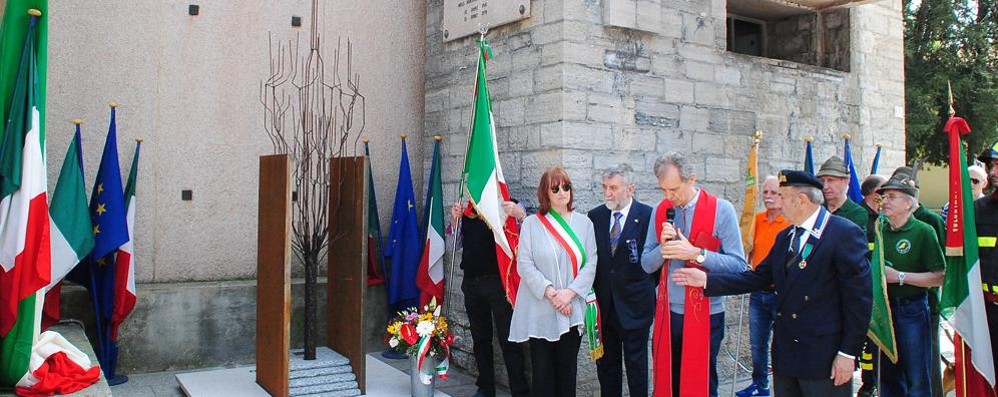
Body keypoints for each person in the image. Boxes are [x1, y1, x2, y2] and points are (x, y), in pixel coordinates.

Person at [671, 170, 872, 397]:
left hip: (823, 355)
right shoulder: (785, 237)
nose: (777, 202)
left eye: (782, 196)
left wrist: (847, 353)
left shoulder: (843, 233)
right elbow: (759, 278)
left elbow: (859, 302)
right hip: (787, 353)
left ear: (802, 200)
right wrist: (707, 279)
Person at [640, 152, 748, 397]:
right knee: (670, 381)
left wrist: (698, 254)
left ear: (692, 179)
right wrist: (663, 250)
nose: (669, 197)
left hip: (707, 314)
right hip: (668, 313)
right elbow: (647, 264)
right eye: (664, 190)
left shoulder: (722, 210)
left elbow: (739, 266)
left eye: (674, 189)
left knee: (702, 383)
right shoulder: (661, 211)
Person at [509, 167, 598, 397]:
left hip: (571, 309)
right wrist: (551, 294)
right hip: (541, 309)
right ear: (545, 193)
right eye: (555, 188)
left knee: (567, 373)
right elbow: (525, 264)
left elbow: (591, 263)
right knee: (542, 375)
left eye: (566, 187)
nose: (561, 192)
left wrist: (569, 293)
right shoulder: (532, 224)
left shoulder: (584, 224)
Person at [874, 168, 946, 397]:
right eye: (884, 196)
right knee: (888, 376)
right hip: (884, 311)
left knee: (916, 377)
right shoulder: (880, 229)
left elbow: (940, 276)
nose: (885, 201)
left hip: (912, 309)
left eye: (892, 197)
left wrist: (900, 277)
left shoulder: (923, 231)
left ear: (909, 203)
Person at [450, 199, 529, 397]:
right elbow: (453, 246)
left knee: (509, 340)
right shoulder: (467, 210)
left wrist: (519, 215)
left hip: (499, 284)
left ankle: (519, 391)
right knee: (480, 339)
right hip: (471, 283)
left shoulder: (508, 204)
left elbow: (526, 238)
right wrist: (454, 221)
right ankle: (485, 387)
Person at [587, 164, 654, 397]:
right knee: (607, 369)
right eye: (605, 187)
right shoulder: (595, 216)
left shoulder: (647, 216)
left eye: (613, 187)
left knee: (637, 368)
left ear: (630, 189)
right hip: (605, 309)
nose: (607, 193)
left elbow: (654, 264)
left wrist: (640, 290)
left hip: (635, 307)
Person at [736, 175, 790, 397]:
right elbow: (745, 247)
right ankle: (760, 384)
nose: (768, 197)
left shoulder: (789, 222)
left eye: (774, 193)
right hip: (759, 291)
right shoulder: (755, 220)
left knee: (782, 345)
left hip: (781, 293)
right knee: (757, 344)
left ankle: (784, 388)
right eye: (765, 192)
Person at [857, 174, 886, 397]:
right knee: (866, 345)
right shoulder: (859, 217)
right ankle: (868, 385)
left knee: (877, 343)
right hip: (862, 290)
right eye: (883, 191)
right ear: (873, 194)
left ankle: (876, 383)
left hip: (882, 289)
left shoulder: (884, 218)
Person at [975, 141, 998, 391]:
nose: (992, 172)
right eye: (991, 166)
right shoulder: (979, 210)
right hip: (988, 312)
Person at [816, 156, 868, 231]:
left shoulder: (857, 213)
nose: (825, 186)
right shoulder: (817, 208)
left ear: (846, 181)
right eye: (822, 180)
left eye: (831, 180)